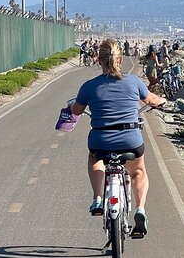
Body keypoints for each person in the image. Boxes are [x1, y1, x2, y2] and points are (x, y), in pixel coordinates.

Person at [70, 39, 166, 238]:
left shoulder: (89, 87)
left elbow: (76, 111)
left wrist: (72, 107)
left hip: (100, 141)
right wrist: (162, 101)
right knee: (138, 171)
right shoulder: (133, 82)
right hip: (130, 140)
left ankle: (97, 198)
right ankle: (140, 209)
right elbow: (152, 100)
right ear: (121, 59)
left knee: (94, 158)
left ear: (99, 60)